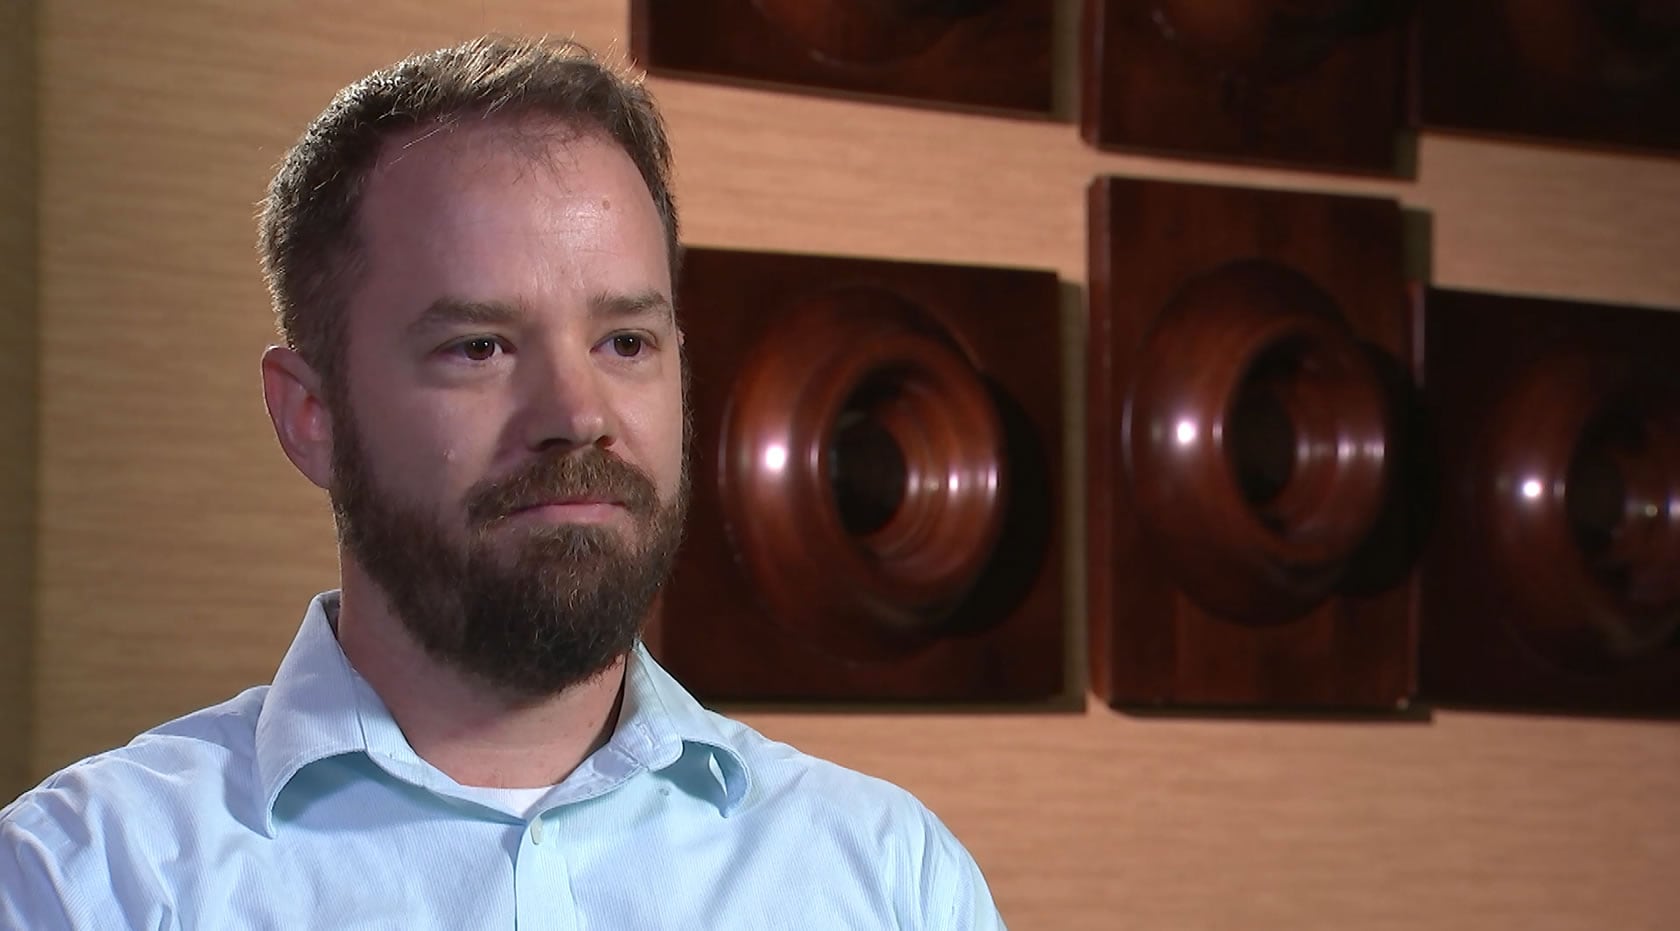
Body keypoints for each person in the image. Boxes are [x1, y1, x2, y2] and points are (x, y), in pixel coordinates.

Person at [0, 35, 1006, 929]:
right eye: (478, 347)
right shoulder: (90, 882)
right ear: (312, 415)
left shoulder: (889, 878)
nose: (577, 413)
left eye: (626, 341)